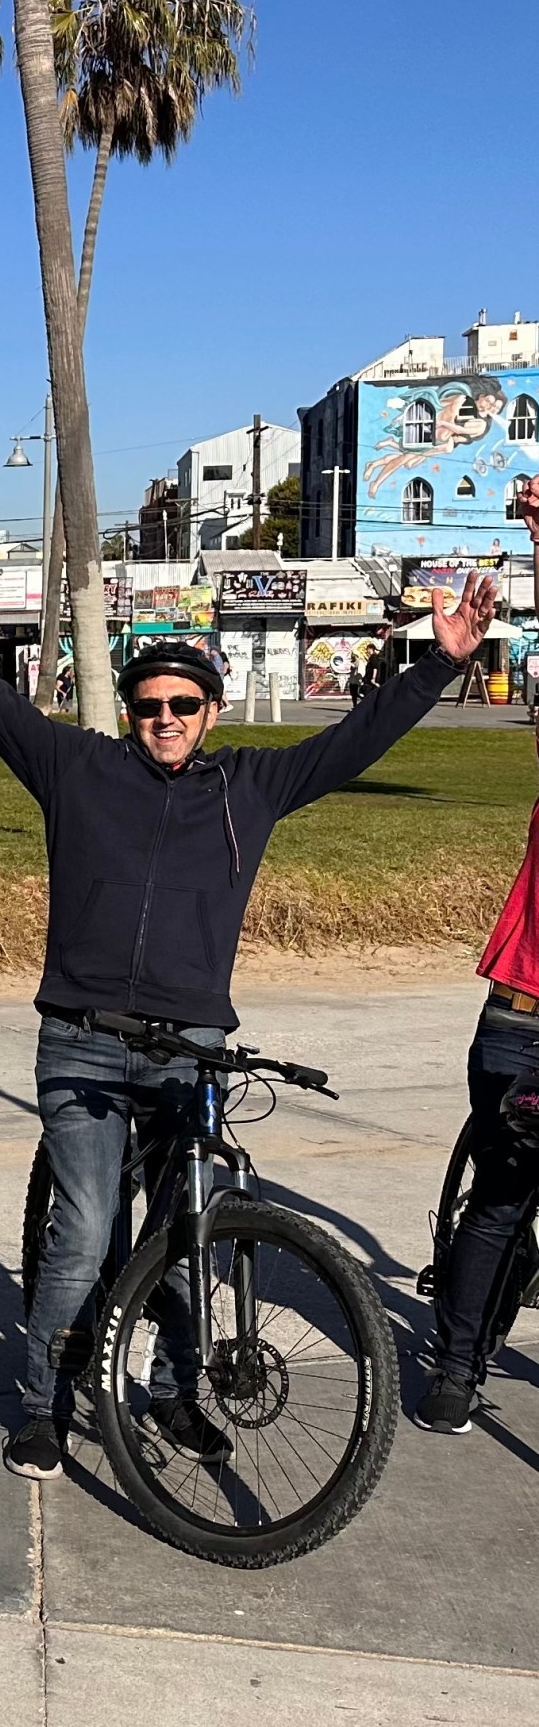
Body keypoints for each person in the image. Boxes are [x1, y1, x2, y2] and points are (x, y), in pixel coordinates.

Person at [0, 523, 498, 1482]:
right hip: (82, 1041)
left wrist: (435, 665)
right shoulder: (77, 769)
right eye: (147, 705)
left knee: (182, 1243)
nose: (164, 718)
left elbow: (352, 743)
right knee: (87, 1231)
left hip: (190, 1048)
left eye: (182, 703)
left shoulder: (251, 784)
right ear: (128, 712)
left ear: (211, 710)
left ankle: (172, 1392)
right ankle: (40, 1403)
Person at [420, 489, 539, 1434]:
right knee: (500, 1207)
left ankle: (455, 1374)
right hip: (523, 1015)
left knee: (499, 1208)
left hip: (516, 1014)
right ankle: (457, 1368)